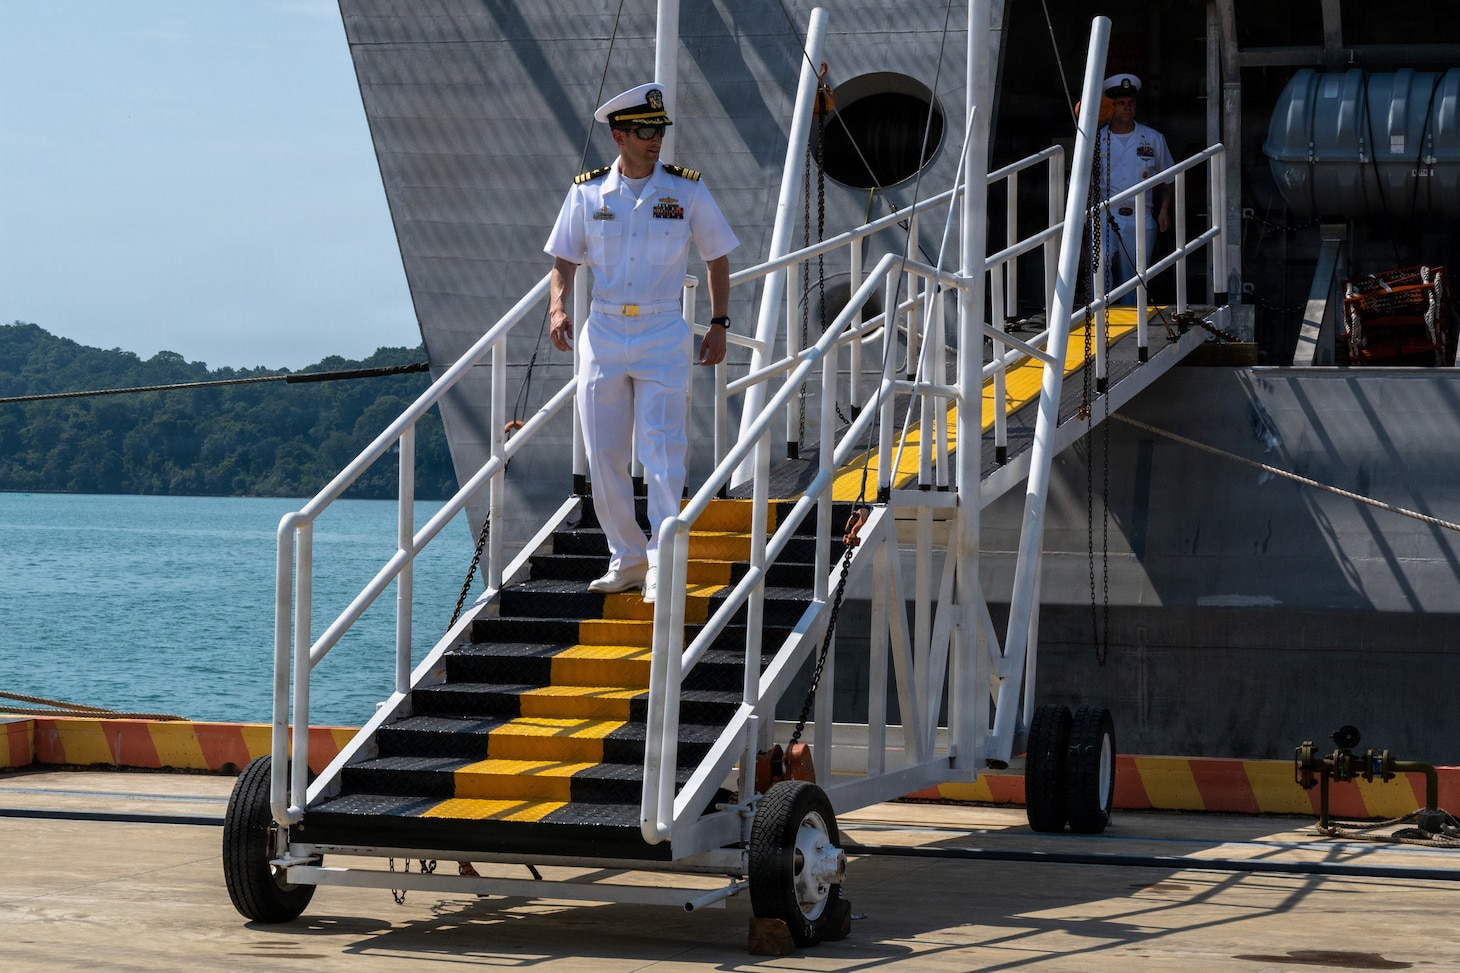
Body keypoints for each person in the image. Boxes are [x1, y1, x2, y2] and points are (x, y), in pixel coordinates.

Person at [545, 82, 739, 605]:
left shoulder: (686, 191)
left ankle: (660, 561)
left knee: (660, 451)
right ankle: (626, 558)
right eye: (646, 131)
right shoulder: (586, 193)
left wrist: (718, 321)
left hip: (661, 330)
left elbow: (716, 255)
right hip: (603, 332)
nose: (656, 140)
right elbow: (564, 255)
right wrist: (558, 305)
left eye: (659, 131)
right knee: (603, 453)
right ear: (619, 135)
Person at [1095, 73, 1174, 302]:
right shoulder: (1096, 140)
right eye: (1120, 103)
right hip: (1104, 215)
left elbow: (1168, 178)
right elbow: (1081, 184)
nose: (1127, 108)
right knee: (1100, 274)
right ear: (1111, 107)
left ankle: (1132, 328)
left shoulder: (1152, 138)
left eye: (1130, 103)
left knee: (1136, 280)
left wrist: (1164, 210)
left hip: (1141, 218)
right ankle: (1099, 322)